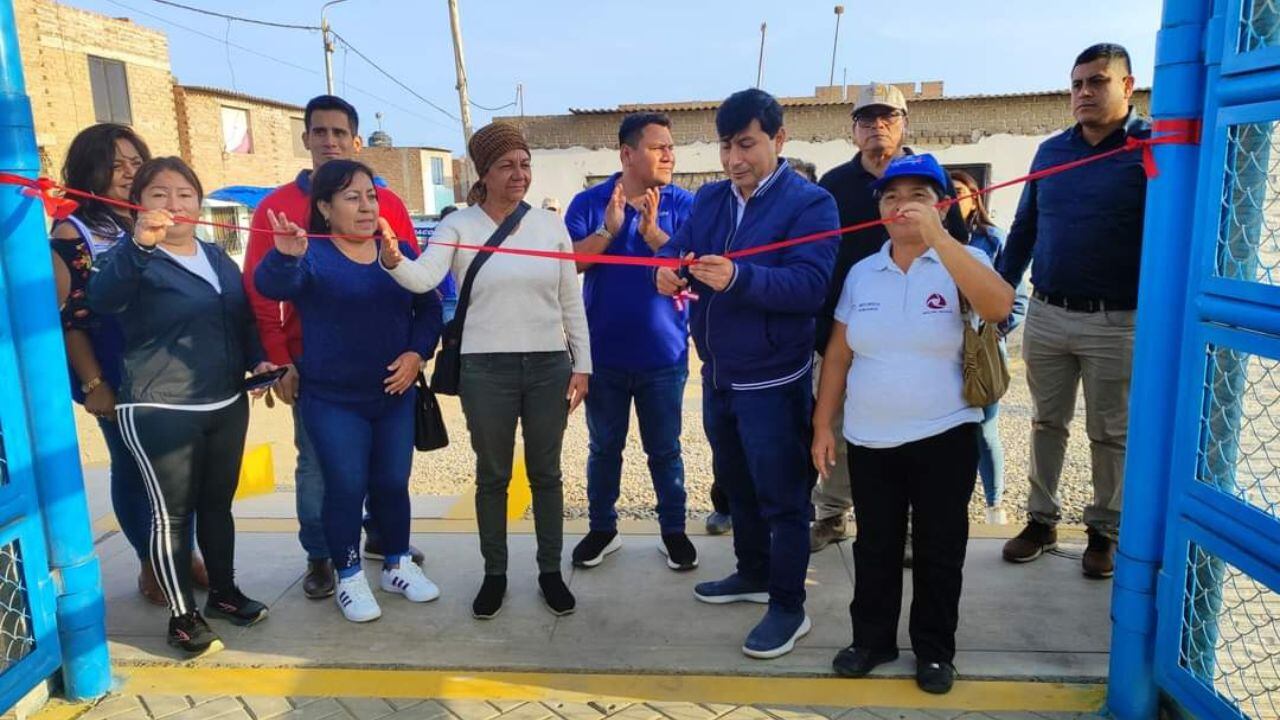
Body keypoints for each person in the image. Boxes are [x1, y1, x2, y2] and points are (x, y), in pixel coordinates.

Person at [812, 153, 1015, 694]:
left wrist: (940, 239)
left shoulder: (965, 258)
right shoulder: (862, 272)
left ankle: (934, 650)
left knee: (938, 549)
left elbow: (999, 307)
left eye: (918, 196)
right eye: (891, 197)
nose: (903, 206)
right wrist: (823, 425)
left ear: (942, 205)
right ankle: (872, 640)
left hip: (944, 434)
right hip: (870, 438)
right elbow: (839, 354)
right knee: (874, 546)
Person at [655, 89, 838, 659]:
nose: (734, 159)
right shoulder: (710, 199)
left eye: (746, 144)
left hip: (774, 380)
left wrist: (739, 277)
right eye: (725, 146)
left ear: (779, 139)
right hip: (718, 375)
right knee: (737, 486)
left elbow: (811, 287)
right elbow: (676, 251)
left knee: (783, 497)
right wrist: (666, 272)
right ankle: (753, 572)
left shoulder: (811, 204)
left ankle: (788, 604)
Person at [382, 123, 591, 620]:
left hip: (548, 365)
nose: (519, 174)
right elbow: (424, 278)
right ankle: (494, 574)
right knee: (492, 475)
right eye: (506, 166)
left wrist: (582, 365)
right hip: (485, 368)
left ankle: (550, 572)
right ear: (485, 173)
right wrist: (392, 260)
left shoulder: (550, 226)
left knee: (546, 473)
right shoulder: (459, 225)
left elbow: (570, 302)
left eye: (525, 164)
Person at [242, 95, 424, 601]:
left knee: (388, 474)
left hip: (386, 376)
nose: (329, 141)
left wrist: (417, 351)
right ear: (306, 139)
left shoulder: (388, 204)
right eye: (319, 132)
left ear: (355, 140)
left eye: (339, 132)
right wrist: (279, 360)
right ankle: (324, 558)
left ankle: (387, 547)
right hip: (313, 370)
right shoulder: (275, 207)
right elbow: (263, 289)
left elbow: (415, 282)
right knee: (324, 473)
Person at [88, 157, 271, 658]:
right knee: (172, 515)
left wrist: (258, 359)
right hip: (160, 408)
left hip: (226, 400)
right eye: (160, 194)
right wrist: (139, 245)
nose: (174, 204)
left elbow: (240, 318)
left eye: (185, 194)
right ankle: (182, 617)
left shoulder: (214, 255)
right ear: (138, 206)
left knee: (217, 505)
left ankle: (224, 594)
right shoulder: (128, 258)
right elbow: (102, 300)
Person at [997, 44, 1150, 578]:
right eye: (1077, 83)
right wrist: (1000, 291)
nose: (1084, 92)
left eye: (1097, 82)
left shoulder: (1151, 149)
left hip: (1117, 320)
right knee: (1046, 422)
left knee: (1110, 432)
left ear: (1127, 86)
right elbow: (1024, 229)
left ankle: (1104, 531)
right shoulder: (1051, 152)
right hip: (1048, 313)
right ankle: (1040, 521)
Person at [48, 124, 211, 606]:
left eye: (135, 162)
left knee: (180, 469)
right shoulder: (74, 232)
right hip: (117, 376)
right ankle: (149, 562)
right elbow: (71, 318)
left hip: (172, 373)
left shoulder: (157, 221)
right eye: (114, 164)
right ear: (89, 172)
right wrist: (94, 382)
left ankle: (183, 553)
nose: (126, 172)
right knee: (135, 470)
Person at [809, 84, 969, 553]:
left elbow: (960, 246)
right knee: (840, 424)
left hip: (925, 328)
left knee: (920, 429)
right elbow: (818, 253)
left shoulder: (931, 177)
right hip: (849, 325)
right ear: (853, 129)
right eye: (866, 118)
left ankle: (914, 524)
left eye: (888, 117)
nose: (877, 126)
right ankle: (832, 513)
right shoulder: (834, 185)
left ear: (905, 123)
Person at [564, 113, 697, 570]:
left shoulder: (684, 204)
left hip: (665, 356)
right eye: (659, 147)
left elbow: (696, 267)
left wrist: (655, 236)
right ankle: (602, 529)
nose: (669, 155)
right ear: (626, 154)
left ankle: (674, 531)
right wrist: (610, 229)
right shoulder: (590, 202)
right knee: (604, 449)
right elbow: (570, 264)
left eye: (671, 147)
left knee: (666, 450)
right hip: (603, 356)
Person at [948, 169, 1028, 525]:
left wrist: (995, 333)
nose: (953, 199)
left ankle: (995, 505)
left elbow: (1016, 297)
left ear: (975, 197)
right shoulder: (927, 239)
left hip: (982, 349)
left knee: (984, 429)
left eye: (959, 191)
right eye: (947, 193)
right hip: (942, 349)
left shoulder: (992, 240)